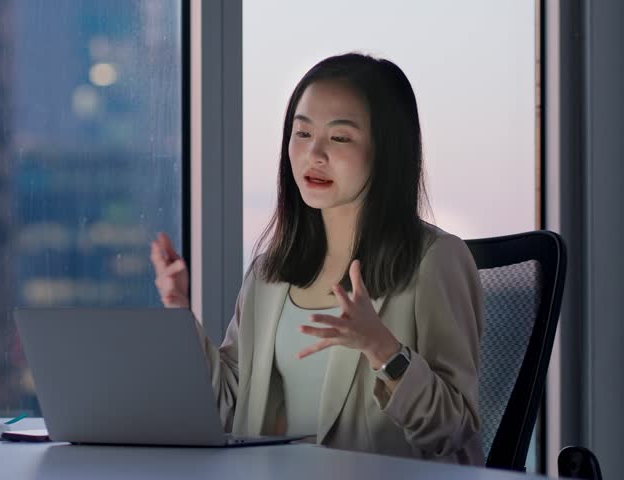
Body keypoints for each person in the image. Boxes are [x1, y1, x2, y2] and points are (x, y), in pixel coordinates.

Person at [149, 53, 484, 465]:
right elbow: (228, 407)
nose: (315, 154)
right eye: (302, 133)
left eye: (340, 138)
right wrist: (178, 313)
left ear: (387, 150)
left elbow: (455, 430)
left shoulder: (435, 260)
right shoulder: (270, 274)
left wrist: (383, 349)